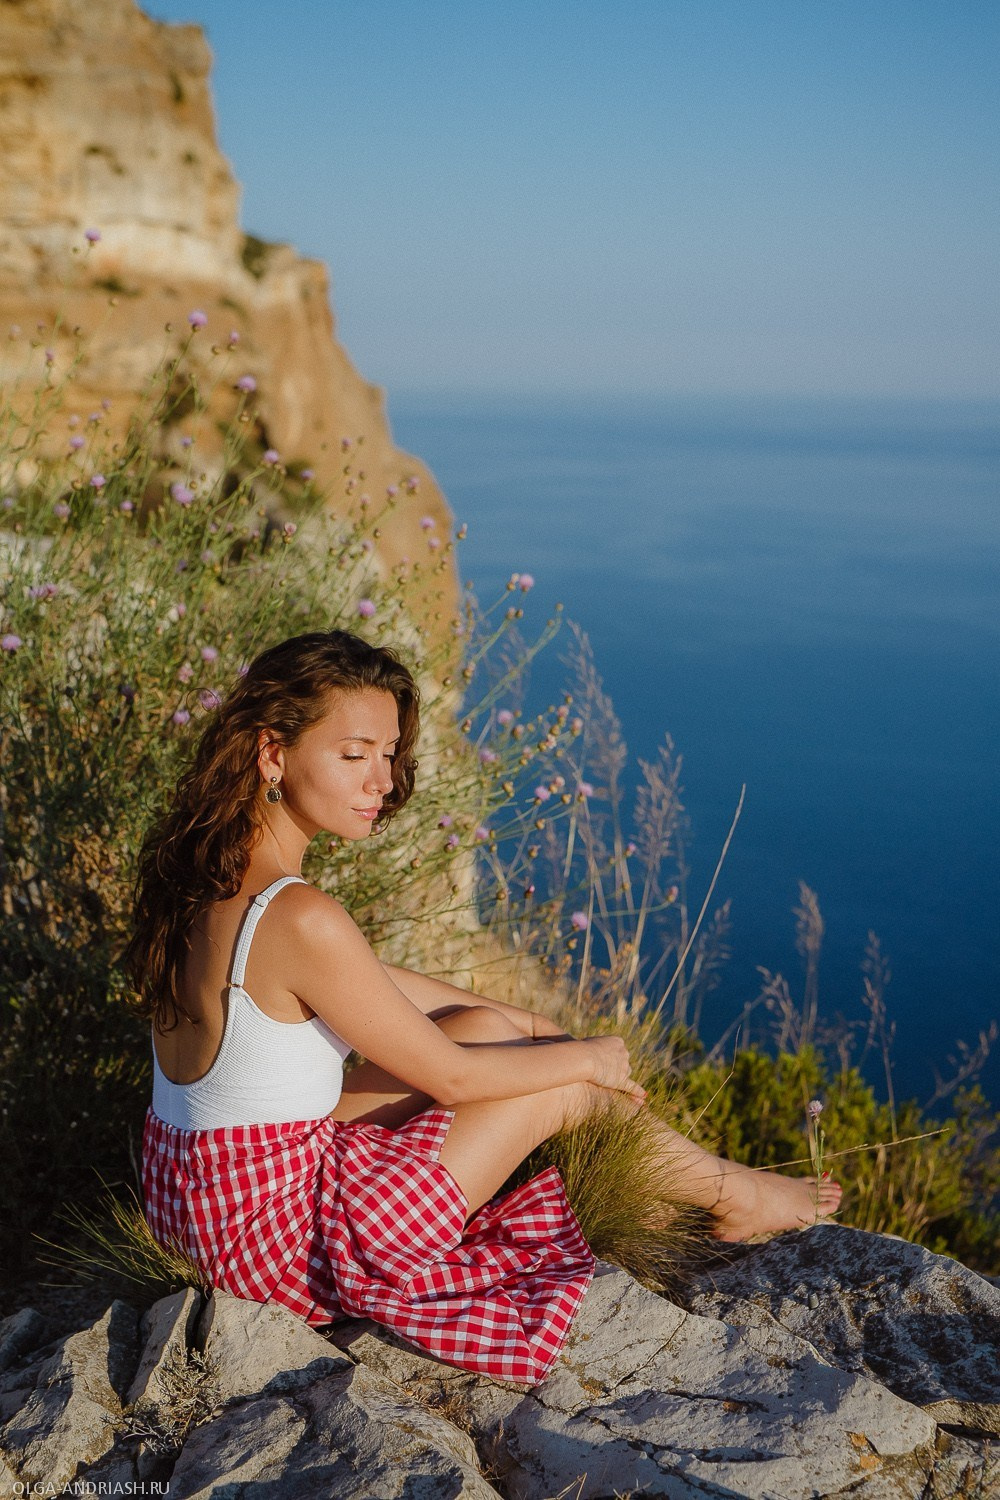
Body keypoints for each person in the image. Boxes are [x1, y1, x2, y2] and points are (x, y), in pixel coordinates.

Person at [127, 629, 841, 1385]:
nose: (382, 780)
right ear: (274, 754)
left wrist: (533, 1029)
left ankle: (716, 1179)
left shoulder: (210, 877)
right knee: (560, 1087)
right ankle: (740, 1195)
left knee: (489, 1031)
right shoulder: (303, 916)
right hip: (272, 1248)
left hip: (199, 1197)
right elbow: (457, 1079)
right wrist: (587, 1059)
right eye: (354, 754)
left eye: (389, 752)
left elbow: (380, 983)